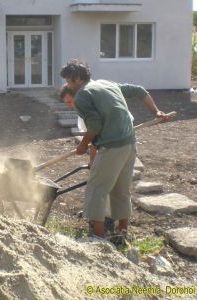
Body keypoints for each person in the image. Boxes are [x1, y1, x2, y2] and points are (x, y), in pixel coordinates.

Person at [59, 60, 172, 238]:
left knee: (97, 189)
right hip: (129, 143)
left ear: (78, 79)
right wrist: (156, 111)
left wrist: (82, 145)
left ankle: (98, 238)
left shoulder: (82, 96)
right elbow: (139, 91)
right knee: (120, 190)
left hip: (112, 147)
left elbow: (95, 127)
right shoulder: (107, 84)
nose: (68, 84)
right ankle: (122, 232)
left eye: (69, 80)